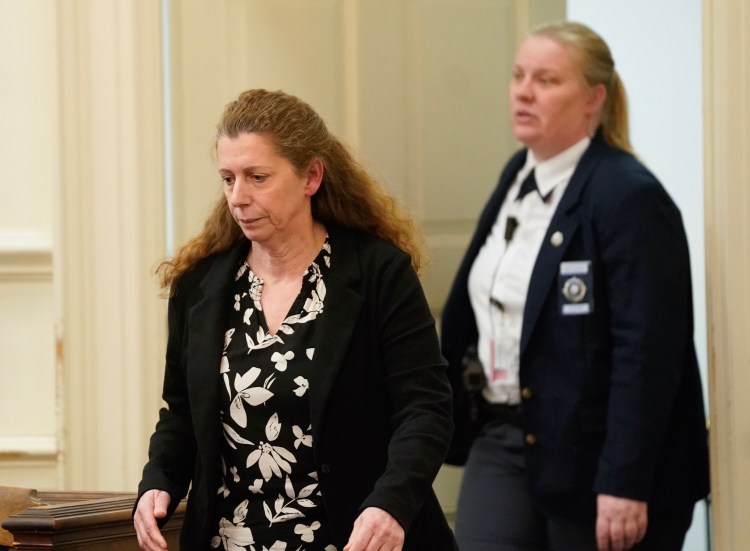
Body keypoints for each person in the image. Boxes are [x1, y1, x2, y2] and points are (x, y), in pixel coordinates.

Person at [133, 88, 457, 551]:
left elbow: (425, 408)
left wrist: (392, 504)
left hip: (352, 538)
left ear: (311, 177)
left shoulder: (378, 275)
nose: (238, 198)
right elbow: (182, 413)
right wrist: (158, 481)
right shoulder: (200, 287)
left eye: (257, 177)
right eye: (228, 179)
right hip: (233, 539)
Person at [441, 21, 710, 551]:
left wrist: (624, 482)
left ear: (594, 99)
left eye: (546, 80)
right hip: (505, 435)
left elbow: (648, 354)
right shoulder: (518, 173)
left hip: (598, 460)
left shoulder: (629, 197)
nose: (522, 91)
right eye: (518, 76)